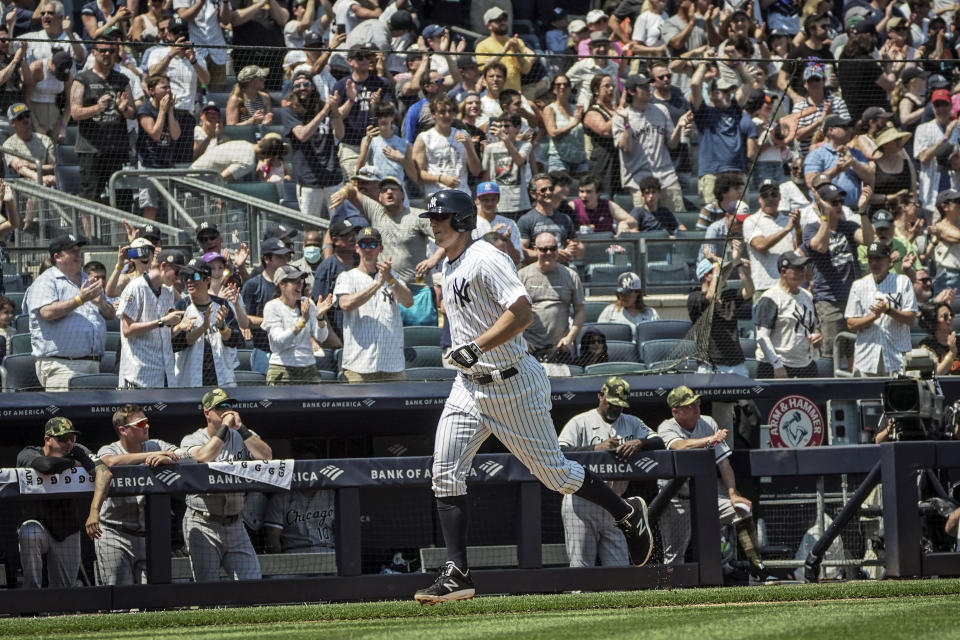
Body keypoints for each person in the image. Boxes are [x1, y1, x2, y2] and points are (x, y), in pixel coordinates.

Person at [412, 190, 653, 603]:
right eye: (431, 216)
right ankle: (458, 573)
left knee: (557, 476)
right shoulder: (449, 264)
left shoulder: (487, 257)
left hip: (512, 384)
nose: (434, 222)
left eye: (442, 216)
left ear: (464, 220)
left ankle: (626, 514)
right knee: (444, 472)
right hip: (469, 385)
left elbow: (522, 314)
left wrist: (478, 346)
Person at [656, 386, 767, 578]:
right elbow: (679, 446)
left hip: (703, 498)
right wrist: (709, 440)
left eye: (696, 403)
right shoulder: (667, 426)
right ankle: (671, 595)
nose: (696, 408)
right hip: (676, 501)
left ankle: (758, 569)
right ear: (676, 411)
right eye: (689, 406)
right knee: (674, 556)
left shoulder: (707, 423)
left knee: (742, 510)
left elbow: (723, 463)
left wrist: (733, 494)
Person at [558, 377, 664, 567]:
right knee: (581, 569)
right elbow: (560, 452)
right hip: (582, 503)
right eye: (612, 403)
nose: (616, 408)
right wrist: (594, 449)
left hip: (616, 505)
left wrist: (640, 442)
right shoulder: (580, 422)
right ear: (601, 396)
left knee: (619, 568)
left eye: (620, 405)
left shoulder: (631, 422)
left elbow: (659, 442)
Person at [180, 388, 272, 582]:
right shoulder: (193, 439)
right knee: (207, 590)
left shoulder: (243, 434)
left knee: (252, 582)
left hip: (235, 524)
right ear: (207, 413)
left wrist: (241, 428)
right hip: (202, 522)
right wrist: (224, 428)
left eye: (229, 405)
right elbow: (204, 457)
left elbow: (266, 456)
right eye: (221, 407)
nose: (227, 410)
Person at [95, 404, 185, 585]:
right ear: (123, 430)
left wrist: (169, 458)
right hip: (115, 533)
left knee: (154, 598)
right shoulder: (110, 449)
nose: (147, 426)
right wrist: (150, 456)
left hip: (148, 536)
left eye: (147, 421)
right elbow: (109, 461)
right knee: (120, 600)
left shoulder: (155, 444)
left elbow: (187, 454)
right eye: (141, 423)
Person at [17, 417, 111, 589]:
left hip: (67, 529)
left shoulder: (78, 450)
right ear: (47, 439)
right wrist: (71, 463)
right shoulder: (29, 452)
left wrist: (94, 511)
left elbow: (104, 474)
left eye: (72, 438)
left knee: (64, 593)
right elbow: (45, 465)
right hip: (39, 525)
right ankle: (31, 601)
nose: (69, 443)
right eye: (62, 438)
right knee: (28, 532)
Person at [27, 233, 116, 391]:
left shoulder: (87, 280)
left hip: (94, 364)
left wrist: (101, 303)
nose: (78, 254)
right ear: (58, 257)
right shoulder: (46, 281)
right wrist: (80, 299)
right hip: (62, 365)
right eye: (72, 251)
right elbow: (47, 312)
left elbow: (110, 314)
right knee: (68, 414)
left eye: (78, 250)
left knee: (90, 415)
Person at [802, 181, 875, 366]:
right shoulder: (810, 228)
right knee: (830, 353)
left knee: (856, 351)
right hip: (829, 301)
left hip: (853, 299)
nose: (839, 206)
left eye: (840, 202)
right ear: (821, 204)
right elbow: (820, 246)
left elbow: (868, 240)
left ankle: (856, 392)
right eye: (833, 202)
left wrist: (862, 211)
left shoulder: (848, 226)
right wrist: (826, 218)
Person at [334, 226, 412, 382]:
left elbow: (408, 302)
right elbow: (345, 304)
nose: (367, 249)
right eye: (363, 245)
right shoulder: (347, 276)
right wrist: (377, 284)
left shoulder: (391, 276)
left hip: (392, 365)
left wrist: (390, 280)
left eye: (372, 245)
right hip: (359, 366)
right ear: (357, 248)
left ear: (380, 248)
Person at [70, 37, 135, 215]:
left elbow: (133, 113)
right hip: (91, 149)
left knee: (122, 199)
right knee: (90, 198)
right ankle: (90, 240)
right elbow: (75, 113)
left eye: (111, 51)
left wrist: (124, 109)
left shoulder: (122, 80)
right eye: (103, 50)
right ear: (94, 52)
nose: (107, 54)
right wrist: (98, 107)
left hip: (117, 148)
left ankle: (123, 238)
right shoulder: (82, 79)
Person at [689, 52, 758, 207]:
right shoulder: (703, 112)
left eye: (729, 91)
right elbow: (694, 84)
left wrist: (737, 63)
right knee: (712, 214)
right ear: (712, 94)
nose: (728, 94)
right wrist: (705, 62)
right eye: (723, 91)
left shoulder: (735, 109)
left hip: (737, 172)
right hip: (713, 173)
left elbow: (748, 83)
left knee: (741, 216)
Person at [612, 74, 686, 210]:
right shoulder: (620, 117)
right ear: (632, 91)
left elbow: (672, 144)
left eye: (649, 87)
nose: (649, 90)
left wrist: (679, 127)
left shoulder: (661, 110)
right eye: (644, 88)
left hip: (667, 178)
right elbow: (626, 148)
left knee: (678, 220)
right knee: (646, 225)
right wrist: (626, 122)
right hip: (639, 182)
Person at [845, 241, 917, 376]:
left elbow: (911, 319)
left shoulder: (903, 282)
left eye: (878, 259)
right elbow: (851, 324)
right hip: (867, 357)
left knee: (897, 397)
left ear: (889, 261)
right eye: (871, 259)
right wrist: (874, 316)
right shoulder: (858, 285)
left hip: (897, 357)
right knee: (867, 397)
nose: (874, 263)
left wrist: (888, 310)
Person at [117, 249, 185, 389]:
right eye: (177, 272)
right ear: (164, 266)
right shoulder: (136, 287)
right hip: (139, 376)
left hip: (164, 374)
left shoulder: (168, 292)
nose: (178, 278)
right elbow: (127, 329)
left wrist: (180, 326)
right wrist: (162, 322)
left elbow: (165, 333)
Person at [282, 69, 344, 220]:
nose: (302, 88)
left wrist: (334, 111)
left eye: (306, 84)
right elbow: (302, 135)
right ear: (293, 89)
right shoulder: (289, 111)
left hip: (332, 176)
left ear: (313, 87)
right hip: (308, 178)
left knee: (341, 226)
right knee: (311, 227)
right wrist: (324, 112)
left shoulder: (324, 106)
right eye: (298, 85)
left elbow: (340, 134)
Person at [172, 257, 243, 388]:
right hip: (189, 379)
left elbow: (235, 341)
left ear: (208, 280)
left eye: (195, 276)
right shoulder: (181, 306)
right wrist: (203, 328)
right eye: (186, 276)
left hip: (221, 379)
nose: (189, 281)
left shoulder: (222, 305)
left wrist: (222, 327)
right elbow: (175, 345)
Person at [518, 231, 585, 364]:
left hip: (560, 348)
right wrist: (521, 341)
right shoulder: (522, 276)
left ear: (558, 249)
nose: (549, 253)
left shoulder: (571, 276)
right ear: (536, 250)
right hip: (529, 349)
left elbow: (580, 310)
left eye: (553, 248)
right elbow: (512, 313)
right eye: (544, 249)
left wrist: (570, 338)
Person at [754, 251, 822, 379]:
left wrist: (817, 337)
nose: (803, 271)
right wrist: (777, 365)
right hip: (776, 367)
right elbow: (762, 336)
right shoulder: (770, 298)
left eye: (803, 268)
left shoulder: (808, 296)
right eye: (798, 268)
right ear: (783, 271)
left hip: (805, 365)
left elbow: (813, 327)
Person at [262, 264, 332, 385]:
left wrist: (320, 318)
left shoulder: (307, 303)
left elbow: (321, 337)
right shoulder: (272, 307)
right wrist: (301, 322)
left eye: (300, 281)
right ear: (282, 285)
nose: (300, 285)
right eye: (294, 282)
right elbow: (279, 341)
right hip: (282, 369)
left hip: (309, 367)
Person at [689, 249, 754, 377]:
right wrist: (717, 266)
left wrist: (738, 264)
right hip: (710, 366)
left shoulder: (728, 296)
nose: (727, 275)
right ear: (708, 276)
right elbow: (711, 297)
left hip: (736, 365)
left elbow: (750, 290)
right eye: (724, 272)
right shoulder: (695, 297)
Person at [412, 95, 481, 198]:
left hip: (462, 194)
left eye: (450, 111)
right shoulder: (424, 138)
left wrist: (468, 146)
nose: (447, 115)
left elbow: (476, 171)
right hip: (436, 195)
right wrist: (441, 178)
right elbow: (418, 173)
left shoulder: (463, 134)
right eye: (442, 112)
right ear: (434, 114)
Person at [241, 237, 292, 374]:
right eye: (280, 257)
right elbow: (243, 319)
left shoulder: (291, 284)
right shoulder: (253, 285)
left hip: (289, 352)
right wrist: (273, 322)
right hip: (263, 351)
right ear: (267, 259)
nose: (285, 260)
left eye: (286, 256)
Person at [803, 114, 875, 211]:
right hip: (826, 212)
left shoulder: (856, 153)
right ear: (831, 131)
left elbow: (870, 177)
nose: (850, 130)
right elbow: (811, 182)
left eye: (850, 127)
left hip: (853, 211)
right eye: (845, 127)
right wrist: (836, 170)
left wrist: (853, 162)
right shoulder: (817, 154)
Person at [743, 180, 801, 298]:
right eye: (765, 195)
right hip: (765, 286)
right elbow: (761, 246)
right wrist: (786, 230)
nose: (770, 199)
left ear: (780, 197)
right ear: (759, 199)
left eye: (774, 194)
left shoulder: (788, 220)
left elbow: (798, 251)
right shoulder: (751, 221)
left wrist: (798, 229)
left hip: (789, 285)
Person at [136, 74, 181, 221]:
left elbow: (175, 135)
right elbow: (154, 134)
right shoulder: (145, 109)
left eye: (169, 87)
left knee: (173, 206)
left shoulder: (171, 109)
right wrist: (161, 111)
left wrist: (170, 111)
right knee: (150, 206)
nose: (168, 90)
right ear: (152, 91)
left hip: (167, 164)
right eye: (163, 87)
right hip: (149, 165)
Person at [517, 173, 582, 263]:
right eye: (543, 190)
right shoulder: (526, 220)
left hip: (562, 269)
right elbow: (521, 252)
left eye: (551, 189)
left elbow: (579, 250)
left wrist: (574, 249)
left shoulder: (565, 219)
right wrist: (552, 254)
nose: (548, 192)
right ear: (533, 194)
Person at [311, 219, 358, 344]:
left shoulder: (362, 262)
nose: (353, 238)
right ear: (335, 240)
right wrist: (333, 338)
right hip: (339, 336)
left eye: (354, 234)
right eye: (347, 235)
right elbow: (320, 307)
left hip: (362, 332)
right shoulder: (327, 268)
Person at [481, 112, 534, 219]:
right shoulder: (490, 148)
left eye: (507, 126)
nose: (503, 129)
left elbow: (519, 161)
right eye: (500, 126)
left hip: (520, 203)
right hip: (498, 204)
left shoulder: (525, 146)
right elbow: (485, 176)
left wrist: (505, 139)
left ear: (517, 128)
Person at [474, 7, 535, 93]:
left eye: (504, 19)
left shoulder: (517, 42)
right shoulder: (482, 46)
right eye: (498, 20)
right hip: (493, 94)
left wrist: (517, 51)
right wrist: (505, 49)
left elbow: (525, 70)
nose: (503, 22)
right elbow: (484, 69)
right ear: (488, 25)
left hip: (514, 93)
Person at [582, 73, 620, 196]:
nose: (611, 89)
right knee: (604, 196)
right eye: (607, 86)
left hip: (620, 159)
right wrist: (618, 113)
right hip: (603, 162)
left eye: (613, 86)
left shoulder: (615, 110)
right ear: (596, 90)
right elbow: (605, 131)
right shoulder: (592, 111)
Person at [2, 102, 55, 187]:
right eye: (20, 117)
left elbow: (53, 167)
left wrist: (30, 165)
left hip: (47, 182)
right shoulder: (9, 144)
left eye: (27, 115)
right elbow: (20, 168)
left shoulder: (45, 140)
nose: (25, 119)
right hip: (21, 186)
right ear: (12, 122)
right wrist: (39, 178)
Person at [472, 181, 522, 264]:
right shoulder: (471, 224)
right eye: (485, 200)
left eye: (493, 199)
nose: (490, 203)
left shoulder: (509, 224)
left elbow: (517, 259)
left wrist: (507, 241)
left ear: (498, 199)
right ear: (478, 200)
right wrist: (489, 236)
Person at [570, 174, 636, 234]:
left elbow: (632, 221)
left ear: (598, 193)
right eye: (581, 191)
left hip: (607, 244)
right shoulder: (573, 205)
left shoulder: (607, 205)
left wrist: (623, 224)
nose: (584, 195)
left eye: (589, 192)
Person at [917, 302, 960, 375]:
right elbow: (937, 373)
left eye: (951, 315)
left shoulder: (958, 341)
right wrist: (952, 353)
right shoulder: (927, 345)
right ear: (934, 320)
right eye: (945, 316)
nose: (950, 318)